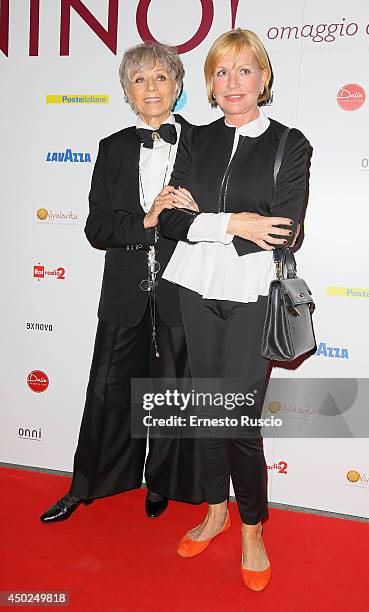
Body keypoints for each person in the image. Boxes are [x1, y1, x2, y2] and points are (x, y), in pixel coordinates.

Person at [159, 28, 310, 591]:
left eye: (244, 70)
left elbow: (283, 229)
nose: (232, 83)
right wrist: (236, 222)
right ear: (209, 85)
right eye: (221, 72)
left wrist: (211, 222)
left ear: (263, 78)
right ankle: (214, 509)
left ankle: (250, 525)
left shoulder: (290, 143)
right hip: (197, 287)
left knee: (239, 417)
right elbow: (171, 222)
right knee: (206, 409)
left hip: (252, 294)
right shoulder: (194, 140)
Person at [40, 42, 204, 524]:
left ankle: (163, 483)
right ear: (127, 91)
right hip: (123, 293)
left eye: (160, 78)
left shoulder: (204, 143)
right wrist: (149, 220)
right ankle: (86, 486)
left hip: (181, 292)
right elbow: (98, 230)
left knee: (174, 394)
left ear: (177, 86)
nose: (150, 88)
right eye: (139, 80)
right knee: (108, 392)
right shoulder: (111, 148)